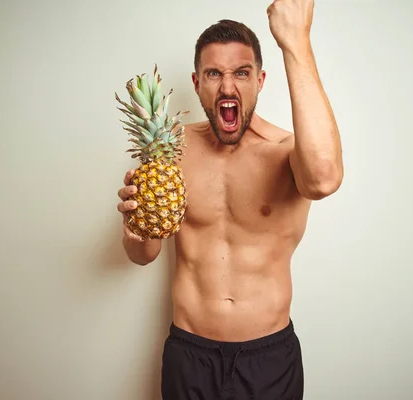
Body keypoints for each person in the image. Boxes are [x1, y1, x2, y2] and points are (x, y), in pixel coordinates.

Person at [117, 0, 343, 398]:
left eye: (242, 73)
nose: (227, 86)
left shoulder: (288, 152)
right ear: (196, 82)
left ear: (260, 80)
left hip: (269, 357)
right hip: (190, 353)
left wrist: (296, 41)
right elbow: (144, 255)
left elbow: (324, 179)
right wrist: (136, 231)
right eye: (213, 73)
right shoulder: (171, 152)